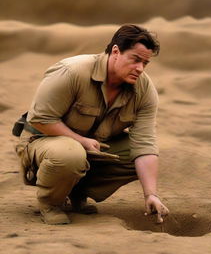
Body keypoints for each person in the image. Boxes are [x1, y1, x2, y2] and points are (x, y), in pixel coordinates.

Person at [15, 24, 169, 225]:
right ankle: (51, 203)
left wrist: (151, 194)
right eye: (135, 59)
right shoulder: (72, 72)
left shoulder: (144, 90)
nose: (140, 68)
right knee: (70, 154)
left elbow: (145, 143)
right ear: (116, 51)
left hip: (93, 147)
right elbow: (40, 119)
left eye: (145, 63)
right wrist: (81, 141)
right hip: (43, 140)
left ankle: (77, 191)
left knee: (139, 154)